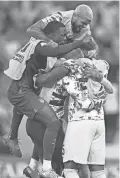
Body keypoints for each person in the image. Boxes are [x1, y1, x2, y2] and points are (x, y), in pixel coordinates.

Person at [3, 21, 90, 178]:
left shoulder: (41, 50)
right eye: (61, 34)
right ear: (50, 35)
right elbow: (55, 54)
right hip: (23, 91)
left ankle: (19, 145)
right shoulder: (42, 46)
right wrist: (78, 44)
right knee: (53, 123)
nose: (64, 37)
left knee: (27, 110)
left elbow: (53, 60)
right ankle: (46, 169)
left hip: (22, 92)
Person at [61, 58, 113, 178]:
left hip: (80, 122)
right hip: (99, 122)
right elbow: (110, 90)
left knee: (70, 170)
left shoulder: (71, 78)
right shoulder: (102, 80)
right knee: (98, 172)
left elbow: (84, 104)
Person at [27, 4, 98, 58]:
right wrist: (49, 41)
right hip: (39, 51)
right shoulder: (60, 17)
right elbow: (31, 29)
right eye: (83, 23)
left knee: (78, 54)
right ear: (75, 16)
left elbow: (93, 45)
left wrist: (94, 50)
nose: (84, 26)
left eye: (87, 24)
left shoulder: (85, 28)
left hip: (56, 53)